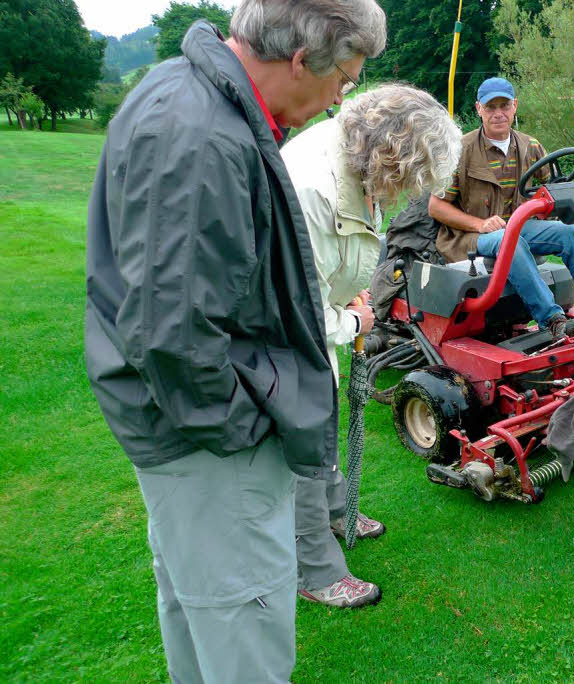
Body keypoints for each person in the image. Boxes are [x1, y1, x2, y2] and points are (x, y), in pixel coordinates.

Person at [84, 1, 386, 681]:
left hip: (191, 433)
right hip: (210, 446)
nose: (344, 96)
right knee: (242, 636)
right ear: (303, 59)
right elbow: (174, 338)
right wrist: (248, 426)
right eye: (344, 77)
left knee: (205, 623)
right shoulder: (201, 136)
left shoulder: (193, 96)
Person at [281, 84, 461, 608]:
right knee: (305, 449)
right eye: (413, 177)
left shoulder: (357, 170)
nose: (411, 191)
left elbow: (333, 264)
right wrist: (352, 317)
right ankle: (314, 571)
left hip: (323, 327)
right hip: (287, 346)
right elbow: (299, 312)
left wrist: (350, 293)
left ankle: (337, 511)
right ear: (393, 155)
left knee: (325, 429)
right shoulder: (314, 190)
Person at [428, 77, 574, 338]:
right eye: (490, 107)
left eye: (504, 105)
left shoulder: (531, 146)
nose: (498, 114)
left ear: (515, 106)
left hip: (520, 227)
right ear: (478, 109)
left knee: (571, 232)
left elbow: (547, 187)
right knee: (509, 241)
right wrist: (480, 224)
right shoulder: (460, 150)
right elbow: (436, 207)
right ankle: (552, 319)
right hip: (471, 237)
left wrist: (553, 202)